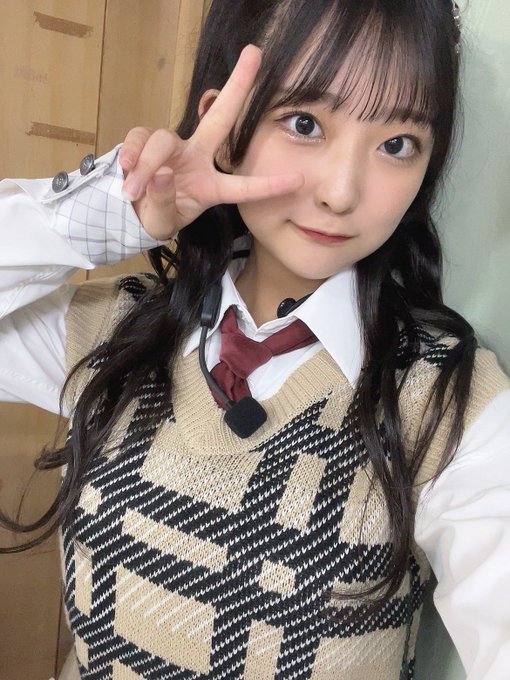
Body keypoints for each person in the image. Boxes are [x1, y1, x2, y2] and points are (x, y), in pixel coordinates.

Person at [0, 0, 509, 678]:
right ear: (227, 123)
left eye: (396, 144)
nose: (341, 192)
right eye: (305, 123)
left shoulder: (446, 405)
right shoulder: (115, 332)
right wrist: (120, 209)